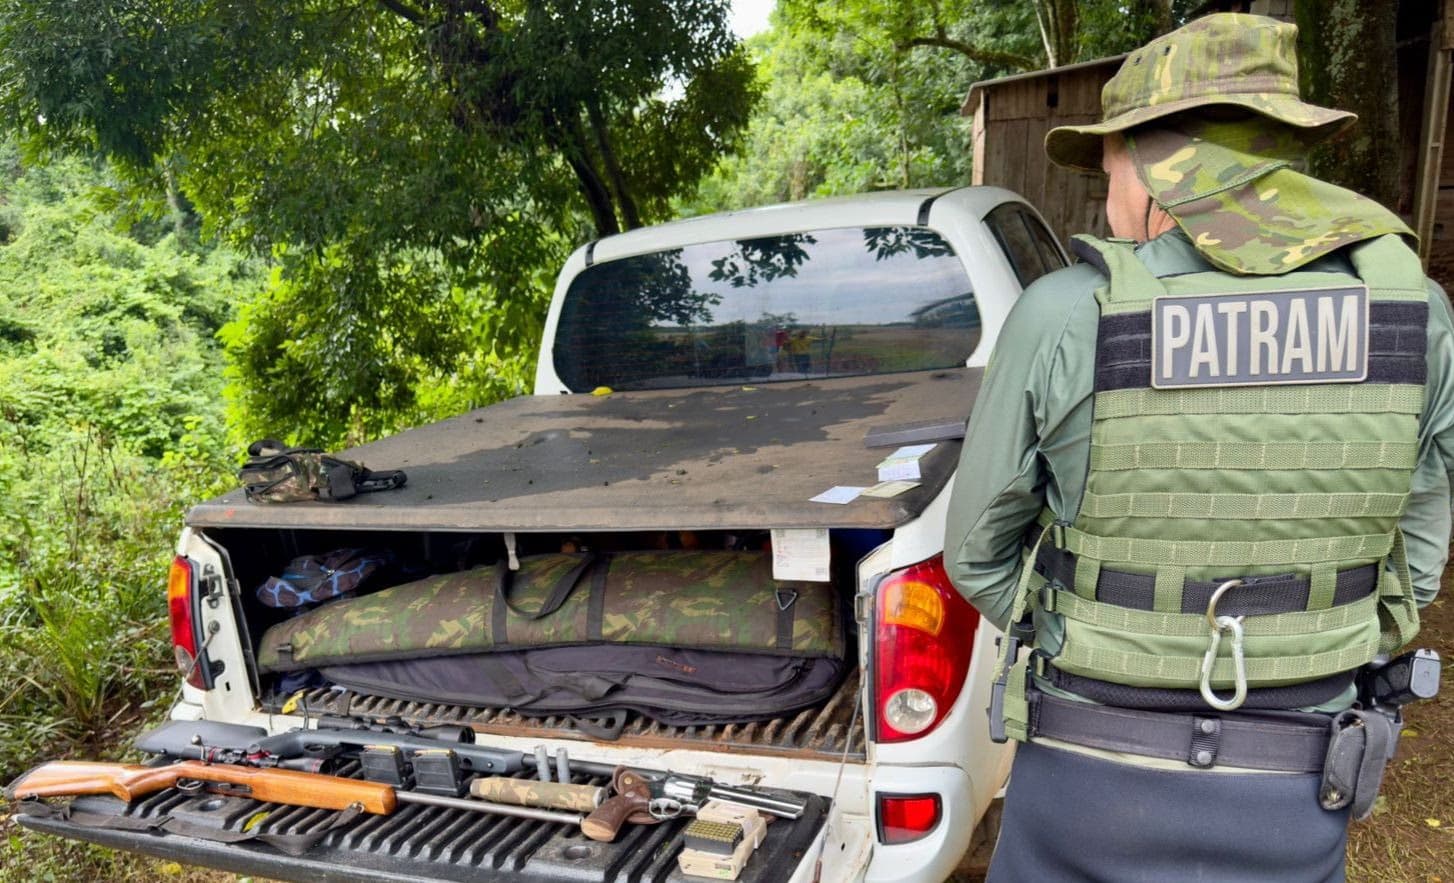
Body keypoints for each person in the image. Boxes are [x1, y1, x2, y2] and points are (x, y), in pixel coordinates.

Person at [944, 13, 1453, 882]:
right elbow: (1416, 565)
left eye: (1108, 165)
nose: (1107, 195)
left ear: (1152, 163)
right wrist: (1312, 645)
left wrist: (1088, 627)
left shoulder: (1068, 315)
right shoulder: (1412, 313)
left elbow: (978, 557)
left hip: (1085, 778)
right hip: (1301, 779)